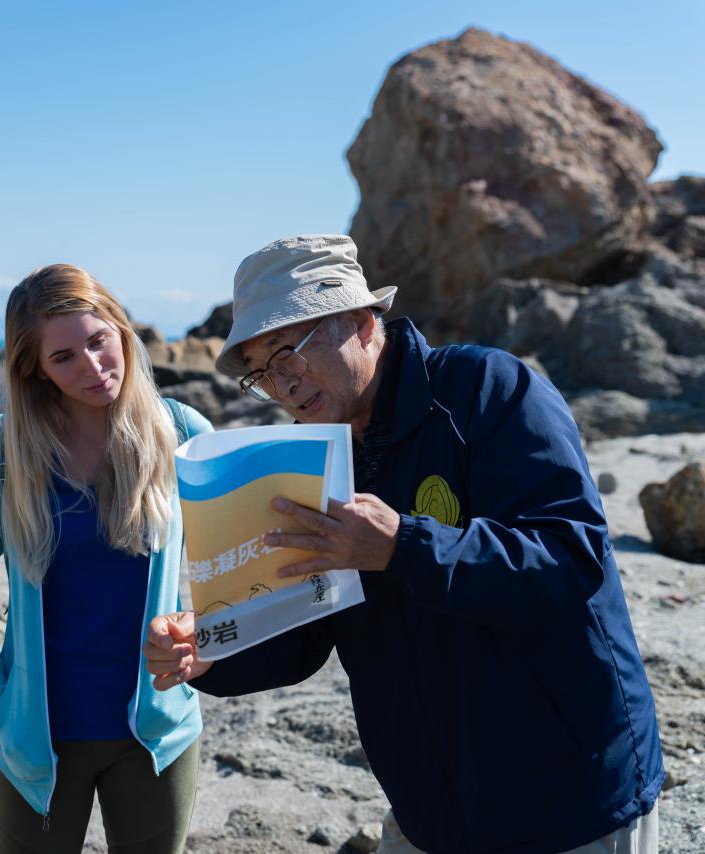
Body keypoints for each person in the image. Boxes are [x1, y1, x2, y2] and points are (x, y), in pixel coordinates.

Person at [144, 235, 663, 854]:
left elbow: (571, 558)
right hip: (431, 811)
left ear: (362, 323)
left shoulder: (487, 389)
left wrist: (402, 546)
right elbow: (307, 625)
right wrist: (212, 650)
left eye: (288, 352)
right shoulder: (310, 455)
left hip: (569, 799)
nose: (281, 384)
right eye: (261, 371)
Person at [0, 264, 209, 853]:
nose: (93, 367)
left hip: (157, 736)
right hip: (37, 738)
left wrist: (202, 633)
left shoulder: (182, 432)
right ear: (33, 368)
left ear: (120, 329)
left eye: (98, 341)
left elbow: (229, 568)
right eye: (63, 357)